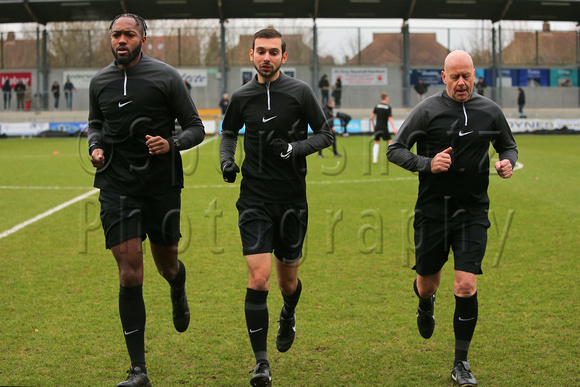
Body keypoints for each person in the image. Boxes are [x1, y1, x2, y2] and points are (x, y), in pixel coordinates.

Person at [387, 50, 518, 387]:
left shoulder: (490, 111)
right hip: (432, 213)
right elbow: (395, 149)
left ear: (475, 75)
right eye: (454, 76)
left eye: (467, 76)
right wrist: (426, 163)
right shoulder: (426, 110)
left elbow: (508, 146)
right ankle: (425, 302)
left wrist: (507, 162)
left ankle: (461, 363)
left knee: (465, 284)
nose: (461, 83)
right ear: (442, 77)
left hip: (473, 212)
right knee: (427, 282)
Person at [87, 13, 205, 387]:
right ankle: (138, 370)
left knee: (166, 265)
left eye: (129, 34)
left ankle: (177, 284)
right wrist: (95, 146)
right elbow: (95, 124)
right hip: (117, 186)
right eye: (116, 35)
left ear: (143, 38)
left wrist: (171, 143)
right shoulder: (99, 81)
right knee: (129, 270)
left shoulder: (166, 77)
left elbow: (196, 127)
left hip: (161, 186)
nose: (121, 40)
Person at [220, 28, 333, 387]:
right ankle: (261, 364)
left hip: (292, 203)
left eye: (273, 52)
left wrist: (295, 148)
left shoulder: (300, 92)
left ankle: (289, 312)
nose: (266, 57)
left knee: (287, 282)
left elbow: (326, 134)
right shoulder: (241, 97)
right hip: (253, 199)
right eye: (260, 52)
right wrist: (227, 162)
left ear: (284, 57)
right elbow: (228, 133)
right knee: (259, 278)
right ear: (250, 56)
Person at [370, 92, 397, 164]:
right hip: (384, 128)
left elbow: (371, 117)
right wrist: (394, 128)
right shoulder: (388, 107)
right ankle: (391, 158)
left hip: (378, 127)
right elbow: (390, 118)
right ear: (386, 98)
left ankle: (374, 159)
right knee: (390, 141)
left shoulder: (377, 106)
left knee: (377, 142)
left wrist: (374, 126)